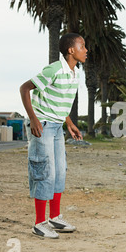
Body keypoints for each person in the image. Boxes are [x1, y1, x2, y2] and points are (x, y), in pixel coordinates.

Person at [20, 33, 87, 238]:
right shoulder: (54, 69)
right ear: (71, 50)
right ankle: (39, 223)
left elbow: (57, 102)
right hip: (43, 126)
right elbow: (25, 88)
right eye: (82, 46)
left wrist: (69, 123)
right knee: (44, 171)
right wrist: (33, 119)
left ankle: (55, 218)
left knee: (59, 172)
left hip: (57, 126)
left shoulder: (74, 74)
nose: (86, 50)